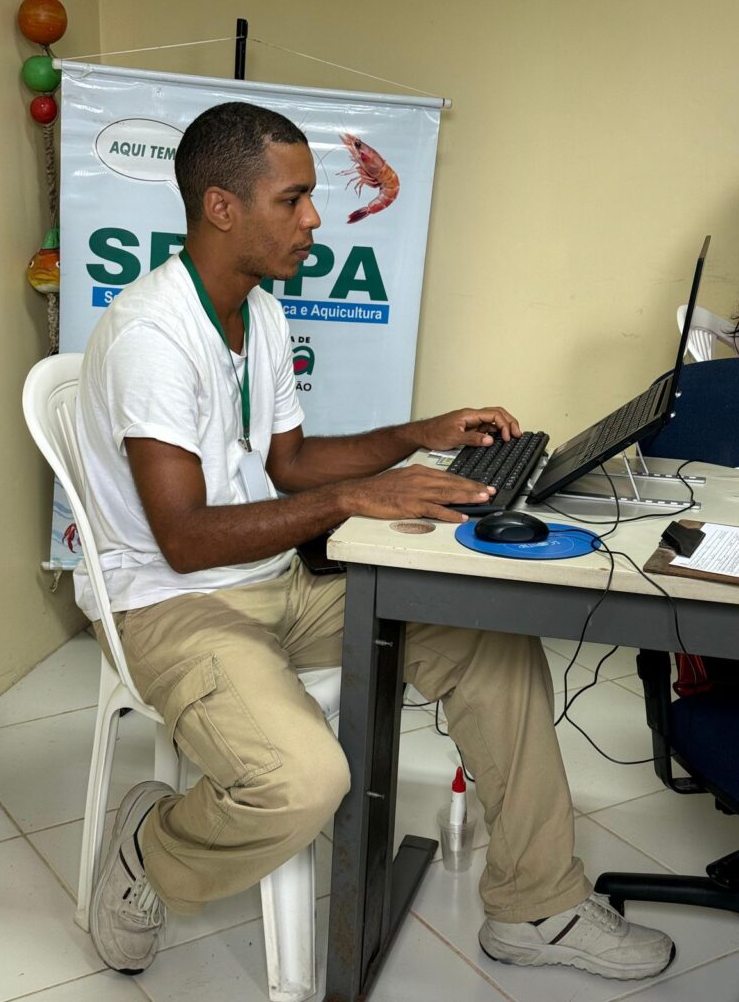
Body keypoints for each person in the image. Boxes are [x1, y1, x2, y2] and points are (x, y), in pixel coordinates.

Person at [76, 101, 674, 981]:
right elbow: (186, 540)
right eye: (293, 200)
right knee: (302, 782)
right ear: (221, 207)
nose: (315, 219)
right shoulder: (152, 336)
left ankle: (536, 906)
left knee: (490, 642)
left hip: (274, 580)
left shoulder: (257, 314)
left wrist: (416, 434)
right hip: (172, 603)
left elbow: (289, 462)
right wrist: (355, 498)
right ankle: (149, 850)